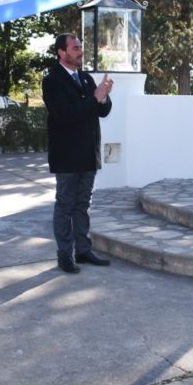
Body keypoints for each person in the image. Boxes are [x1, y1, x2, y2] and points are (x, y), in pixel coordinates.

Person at [42, 33, 113, 273]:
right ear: (61, 52)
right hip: (67, 155)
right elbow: (66, 115)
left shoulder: (85, 78)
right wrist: (95, 98)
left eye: (80, 47)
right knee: (65, 205)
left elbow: (102, 111)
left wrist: (103, 98)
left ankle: (83, 250)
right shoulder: (52, 81)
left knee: (83, 204)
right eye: (75, 48)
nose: (80, 51)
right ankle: (65, 255)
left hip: (87, 153)